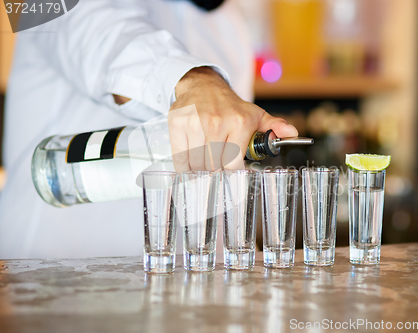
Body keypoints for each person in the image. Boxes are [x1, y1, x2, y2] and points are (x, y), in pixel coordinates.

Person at [0, 0, 298, 259]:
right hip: (47, 284)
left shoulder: (229, 21)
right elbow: (107, 40)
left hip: (172, 298)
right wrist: (196, 82)